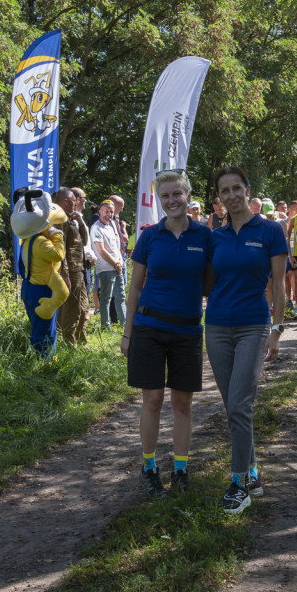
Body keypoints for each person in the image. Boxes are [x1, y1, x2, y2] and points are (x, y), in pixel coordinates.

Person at [122, 171, 211, 498]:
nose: (172, 201)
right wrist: (127, 333)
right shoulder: (149, 236)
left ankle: (181, 469)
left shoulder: (204, 236)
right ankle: (148, 467)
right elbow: (134, 288)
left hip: (187, 330)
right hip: (149, 328)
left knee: (182, 404)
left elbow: (213, 282)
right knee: (154, 399)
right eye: (166, 196)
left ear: (187, 195)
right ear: (160, 200)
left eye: (177, 194)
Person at [205, 166, 287, 514]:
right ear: (219, 199)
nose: (232, 195)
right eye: (225, 191)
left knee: (240, 404)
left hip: (254, 325)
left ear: (247, 190)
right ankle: (252, 472)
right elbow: (208, 282)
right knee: (233, 404)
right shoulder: (214, 236)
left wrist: (277, 330)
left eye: (237, 188)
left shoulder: (270, 230)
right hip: (217, 327)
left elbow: (281, 285)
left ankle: (238, 483)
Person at [54, 187, 93, 347]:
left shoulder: (70, 219)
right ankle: (69, 346)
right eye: (73, 201)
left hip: (79, 270)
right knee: (72, 310)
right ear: (65, 201)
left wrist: (81, 222)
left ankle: (81, 342)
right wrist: (65, 274)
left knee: (83, 308)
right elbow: (60, 249)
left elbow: (83, 241)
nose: (76, 203)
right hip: (70, 271)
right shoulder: (58, 219)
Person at [90, 199, 126, 330]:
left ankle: (124, 324)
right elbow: (101, 250)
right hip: (105, 268)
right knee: (106, 299)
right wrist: (115, 264)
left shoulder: (110, 226)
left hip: (117, 267)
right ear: (100, 211)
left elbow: (117, 248)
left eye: (111, 212)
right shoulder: (96, 227)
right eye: (106, 211)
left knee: (121, 296)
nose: (109, 214)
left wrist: (120, 262)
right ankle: (106, 327)